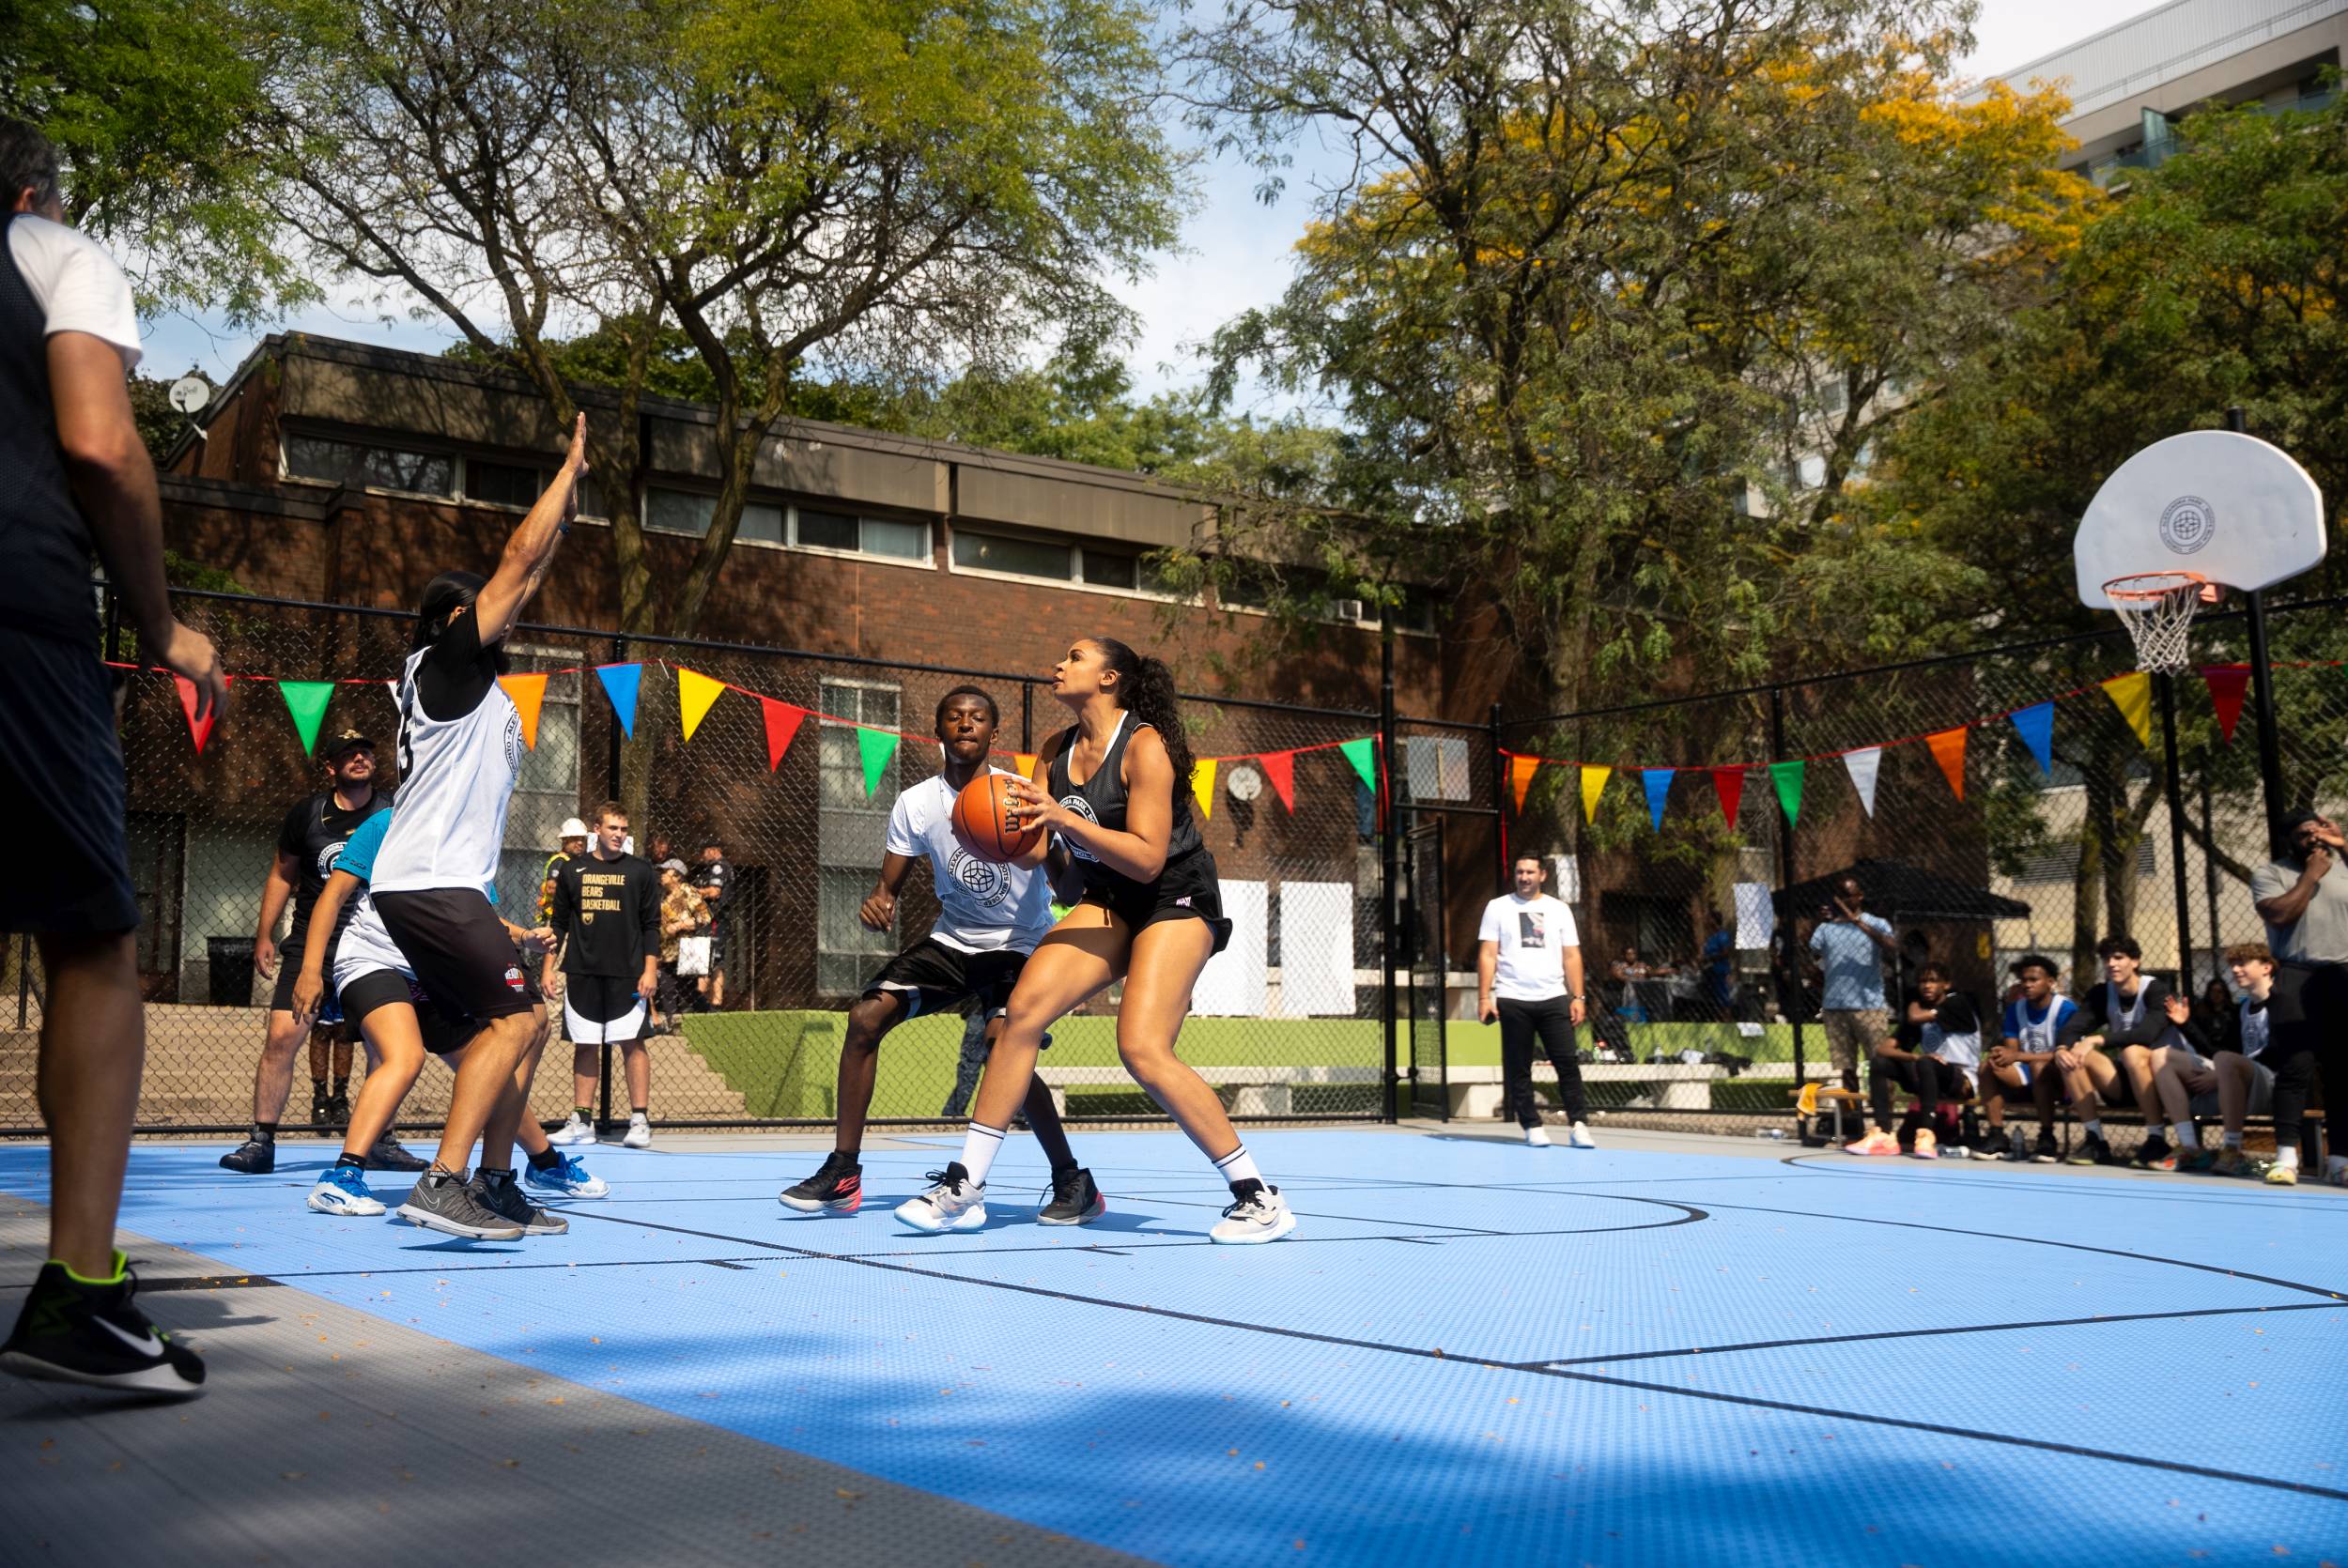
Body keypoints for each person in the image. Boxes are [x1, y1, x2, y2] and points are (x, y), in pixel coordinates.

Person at [0, 120, 224, 1397]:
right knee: (92, 940)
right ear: (35, 186)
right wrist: (159, 619)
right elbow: (99, 440)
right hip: (20, 615)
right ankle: (79, 1285)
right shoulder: (53, 247)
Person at [900, 638, 1291, 1243]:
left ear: (1108, 678)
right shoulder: (1054, 752)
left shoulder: (1145, 747)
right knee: (1018, 1015)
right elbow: (1034, 850)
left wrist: (1063, 819)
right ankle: (964, 1185)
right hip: (1109, 902)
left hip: (1174, 898)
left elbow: (1146, 858)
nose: (1059, 663)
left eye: (1075, 657)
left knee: (1141, 1048)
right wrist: (979, 828)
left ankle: (1258, 1196)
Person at [364, 412, 585, 1239]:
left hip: (444, 889)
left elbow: (529, 576)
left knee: (522, 1029)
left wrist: (565, 521)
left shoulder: (484, 689)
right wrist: (567, 472)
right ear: (450, 624)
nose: (505, 615)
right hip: (425, 882)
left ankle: (495, 1180)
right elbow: (516, 564)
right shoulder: (444, 666)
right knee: (523, 1020)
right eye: (482, 611)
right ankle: (444, 1181)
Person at [779, 687, 1099, 1221]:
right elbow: (890, 886)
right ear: (940, 731)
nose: (966, 724)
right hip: (952, 940)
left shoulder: (1021, 795)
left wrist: (1048, 848)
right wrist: (879, 901)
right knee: (864, 1018)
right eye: (955, 717)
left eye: (978, 718)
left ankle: (1072, 1178)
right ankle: (843, 1171)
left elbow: (1067, 890)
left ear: (993, 735)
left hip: (1019, 944)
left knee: (1004, 1046)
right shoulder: (916, 802)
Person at [289, 807, 606, 1225]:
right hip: (373, 960)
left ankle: (543, 1162)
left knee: (493, 1064)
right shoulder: (389, 823)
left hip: (432, 973)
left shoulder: (468, 834)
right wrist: (311, 969)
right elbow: (333, 894)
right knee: (405, 1057)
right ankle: (342, 1177)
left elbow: (484, 918)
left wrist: (525, 936)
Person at [217, 730, 397, 1173]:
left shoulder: (395, 811)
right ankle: (261, 1141)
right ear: (330, 767)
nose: (360, 758)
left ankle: (380, 1141)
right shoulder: (307, 814)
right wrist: (263, 934)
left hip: (374, 945)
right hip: (311, 946)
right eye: (348, 754)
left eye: (366, 752)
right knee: (282, 1036)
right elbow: (282, 875)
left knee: (385, 1046)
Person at [542, 803, 660, 1149]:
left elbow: (651, 925)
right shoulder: (572, 869)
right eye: (612, 828)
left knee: (633, 1045)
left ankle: (639, 1120)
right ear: (597, 829)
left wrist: (650, 969)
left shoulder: (641, 870)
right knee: (585, 1045)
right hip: (582, 971)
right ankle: (582, 1120)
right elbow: (559, 923)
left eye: (623, 829)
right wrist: (548, 967)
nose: (619, 835)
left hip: (629, 974)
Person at [2155, 942, 2316, 1181]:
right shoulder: (2243, 1008)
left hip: (2276, 1083)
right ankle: (2190, 1147)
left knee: (2225, 1061)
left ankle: (2232, 1150)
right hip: (2239, 1077)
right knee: (2161, 1056)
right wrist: (2185, 1024)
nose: (2236, 970)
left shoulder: (2283, 1002)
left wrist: (2221, 1071)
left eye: (2242, 964)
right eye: (2233, 965)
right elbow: (2219, 1052)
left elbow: (2277, 1053)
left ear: (2266, 967)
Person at [2250, 809, 2348, 1185]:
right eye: (2305, 833)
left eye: (2319, 830)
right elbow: (2279, 915)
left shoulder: (2341, 865)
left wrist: (2343, 845)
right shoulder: (2271, 873)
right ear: (2289, 838)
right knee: (2296, 1067)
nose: (2314, 837)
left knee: (2342, 1071)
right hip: (2296, 971)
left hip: (2341, 975)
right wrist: (2311, 874)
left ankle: (2340, 1159)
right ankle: (2287, 1158)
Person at [1475, 855, 1592, 1147]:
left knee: (1567, 1062)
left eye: (1530, 872)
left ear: (1542, 875)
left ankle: (1578, 1124)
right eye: (1519, 872)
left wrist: (1577, 996)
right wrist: (1484, 996)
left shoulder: (1559, 909)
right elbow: (1488, 954)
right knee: (1518, 1065)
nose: (1524, 877)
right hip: (1513, 998)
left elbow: (1572, 956)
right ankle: (1532, 1125)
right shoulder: (1497, 907)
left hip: (1553, 998)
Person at [2058, 935, 2199, 1168]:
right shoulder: (2102, 993)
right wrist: (2063, 1048)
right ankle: (2096, 1141)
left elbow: (2146, 1034)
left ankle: (2156, 1138)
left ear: (2135, 962)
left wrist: (2097, 1039)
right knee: (2073, 1056)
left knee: (2134, 1052)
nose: (2111, 964)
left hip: (2168, 1080)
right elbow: (2074, 1027)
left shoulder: (2156, 990)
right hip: (2129, 1081)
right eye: (2106, 959)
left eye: (2118, 958)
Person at [1844, 963, 1982, 1160]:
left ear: (1946, 984)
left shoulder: (1957, 1003)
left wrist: (1913, 1007)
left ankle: (1925, 1134)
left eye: (1933, 981)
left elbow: (1915, 1016)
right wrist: (1914, 1056)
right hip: (1929, 1077)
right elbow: (1884, 1048)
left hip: (1962, 1080)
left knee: (1926, 1064)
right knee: (1880, 1064)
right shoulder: (1921, 1015)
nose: (1927, 986)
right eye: (1923, 981)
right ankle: (1883, 1134)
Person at [1807, 876, 1896, 1093]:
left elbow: (1892, 947)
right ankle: (1852, 1118)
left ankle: (1883, 1117)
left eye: (1850, 895)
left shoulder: (1876, 923)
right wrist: (1819, 920)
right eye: (1841, 896)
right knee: (1846, 1068)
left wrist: (1855, 921)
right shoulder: (1827, 929)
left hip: (1870, 1005)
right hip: (1835, 1006)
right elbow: (1812, 949)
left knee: (1880, 1064)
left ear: (1860, 896)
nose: (1845, 900)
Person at [1985, 954, 2069, 1162]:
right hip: (2027, 1070)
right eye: (2023, 980)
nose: (2027, 985)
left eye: (2034, 980)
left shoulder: (2065, 1008)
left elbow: (2066, 1053)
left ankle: (2047, 1137)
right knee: (1987, 1066)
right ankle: (1997, 1135)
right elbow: (2011, 1050)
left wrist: (2018, 1055)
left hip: (2059, 1075)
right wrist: (2001, 1054)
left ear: (2050, 982)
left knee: (2039, 1066)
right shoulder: (2016, 1008)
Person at [652, 858, 705, 1036]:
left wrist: (680, 925)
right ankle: (673, 1024)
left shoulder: (688, 891)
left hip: (686, 949)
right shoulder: (663, 895)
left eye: (665, 871)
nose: (662, 875)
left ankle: (709, 1015)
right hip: (667, 951)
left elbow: (705, 917)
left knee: (687, 990)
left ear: (676, 875)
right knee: (667, 988)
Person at [689, 838, 733, 1009]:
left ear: (713, 850)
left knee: (708, 958)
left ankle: (703, 1002)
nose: (702, 856)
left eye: (704, 851)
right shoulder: (708, 869)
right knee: (713, 960)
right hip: (712, 919)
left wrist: (693, 892)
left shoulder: (719, 867)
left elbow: (714, 892)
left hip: (716, 918)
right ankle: (712, 1002)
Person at [538, 816, 588, 929]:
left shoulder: (576, 862)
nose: (580, 843)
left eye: (582, 839)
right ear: (565, 840)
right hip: (557, 919)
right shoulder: (559, 861)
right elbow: (551, 888)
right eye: (575, 838)